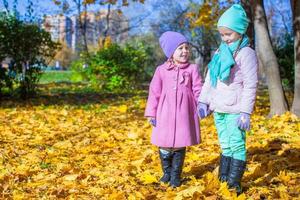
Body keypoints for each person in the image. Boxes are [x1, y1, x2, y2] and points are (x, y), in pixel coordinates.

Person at [198, 4, 258, 194]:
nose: (224, 38)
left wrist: (245, 112)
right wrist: (203, 101)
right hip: (219, 108)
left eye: (228, 34)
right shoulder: (219, 52)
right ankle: (224, 179)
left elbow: (251, 85)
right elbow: (210, 79)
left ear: (239, 32)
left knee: (237, 144)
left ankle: (234, 184)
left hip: (236, 110)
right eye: (222, 34)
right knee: (224, 144)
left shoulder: (246, 53)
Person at [145, 31, 202, 187]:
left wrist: (202, 105)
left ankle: (176, 175)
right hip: (165, 113)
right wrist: (151, 112)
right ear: (171, 52)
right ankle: (167, 172)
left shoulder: (192, 69)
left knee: (179, 143)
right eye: (180, 48)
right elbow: (154, 92)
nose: (185, 51)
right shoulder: (161, 70)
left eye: (186, 48)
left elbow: (198, 89)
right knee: (164, 143)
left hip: (185, 113)